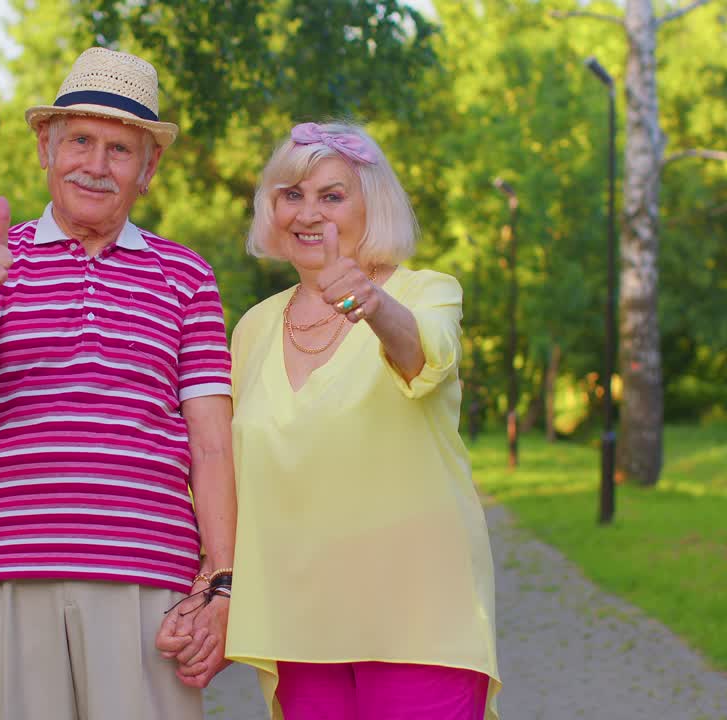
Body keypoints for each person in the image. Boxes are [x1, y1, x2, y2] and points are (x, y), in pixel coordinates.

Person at [0, 47, 236, 720]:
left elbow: (212, 445)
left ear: (147, 168)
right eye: (81, 142)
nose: (96, 166)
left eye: (119, 150)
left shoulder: (187, 277)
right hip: (3, 565)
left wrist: (222, 587)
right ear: (47, 147)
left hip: (147, 578)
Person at [172, 121, 503, 719]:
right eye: (291, 195)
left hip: (418, 617)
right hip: (301, 627)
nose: (308, 213)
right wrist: (217, 592)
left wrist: (372, 305)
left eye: (332, 195)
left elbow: (422, 356)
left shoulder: (426, 292)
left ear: (369, 205)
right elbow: (231, 472)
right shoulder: (253, 327)